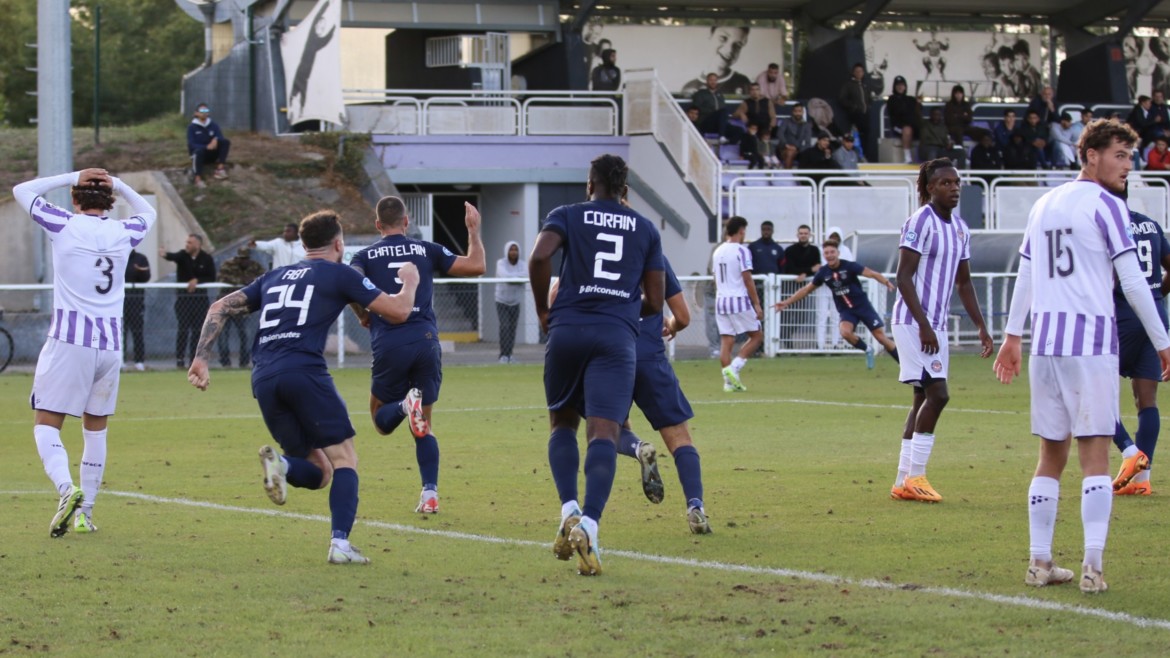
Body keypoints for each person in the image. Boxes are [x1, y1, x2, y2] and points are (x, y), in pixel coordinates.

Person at [994, 119, 1170, 593]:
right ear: (1090, 154)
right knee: (1094, 456)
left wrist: (1013, 336)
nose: (1127, 166)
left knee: (1050, 455)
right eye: (1119, 155)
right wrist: (1163, 339)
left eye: (1131, 157)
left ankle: (1039, 562)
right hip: (1090, 343)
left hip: (1045, 345)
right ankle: (1092, 568)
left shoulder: (1043, 203)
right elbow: (1133, 281)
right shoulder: (1107, 205)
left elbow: (1025, 274)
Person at [187, 210, 421, 564]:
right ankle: (340, 545)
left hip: (264, 378)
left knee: (319, 471)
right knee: (345, 459)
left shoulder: (273, 276)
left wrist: (201, 357)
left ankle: (281, 465)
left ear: (302, 244)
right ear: (339, 244)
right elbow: (400, 311)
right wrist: (410, 280)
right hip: (304, 372)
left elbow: (221, 306)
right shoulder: (339, 273)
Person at [529, 154, 665, 576]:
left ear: (590, 184)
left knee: (562, 424)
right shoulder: (645, 228)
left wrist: (543, 311)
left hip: (568, 330)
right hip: (615, 338)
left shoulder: (567, 214)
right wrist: (621, 307)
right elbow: (656, 302)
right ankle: (589, 523)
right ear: (625, 189)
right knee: (604, 432)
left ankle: (568, 508)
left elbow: (538, 258)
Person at [14, 168, 157, 538]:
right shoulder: (125, 231)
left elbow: (22, 190)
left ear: (75, 199)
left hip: (69, 343)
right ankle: (85, 515)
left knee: (46, 424)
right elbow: (148, 212)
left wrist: (73, 175)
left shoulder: (63, 223)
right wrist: (119, 183)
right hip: (110, 347)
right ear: (110, 201)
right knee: (96, 430)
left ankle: (66, 490)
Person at [350, 196, 485, 515]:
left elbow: (349, 285)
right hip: (426, 341)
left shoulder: (365, 255)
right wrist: (473, 232)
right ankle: (430, 494)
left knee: (382, 422)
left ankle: (402, 405)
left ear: (377, 224)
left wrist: (362, 312)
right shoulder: (426, 249)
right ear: (407, 222)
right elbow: (476, 266)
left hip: (391, 343)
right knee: (422, 424)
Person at [890, 158, 993, 504]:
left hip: (933, 324)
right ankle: (916, 477)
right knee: (939, 395)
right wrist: (923, 326)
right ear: (930, 187)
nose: (953, 188)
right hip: (913, 321)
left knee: (922, 397)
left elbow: (964, 283)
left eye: (957, 183)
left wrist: (981, 326)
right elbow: (903, 278)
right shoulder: (920, 222)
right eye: (945, 183)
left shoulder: (961, 228)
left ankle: (903, 480)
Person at [616, 256, 711, 534]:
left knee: (609, 430)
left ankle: (637, 448)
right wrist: (670, 323)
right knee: (680, 438)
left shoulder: (592, 243)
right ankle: (695, 506)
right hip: (651, 359)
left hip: (611, 356)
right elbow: (683, 317)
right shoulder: (652, 253)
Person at [1111, 185, 1170, 496]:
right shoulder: (1150, 223)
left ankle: (1130, 451)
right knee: (1147, 400)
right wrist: (1157, 298)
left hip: (1122, 317)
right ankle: (1141, 482)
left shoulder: (1105, 228)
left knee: (1093, 392)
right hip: (1156, 318)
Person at [775, 239, 899, 369]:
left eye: (832, 252)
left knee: (881, 338)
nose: (830, 255)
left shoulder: (849, 266)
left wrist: (885, 282)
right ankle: (867, 349)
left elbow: (871, 273)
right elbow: (806, 290)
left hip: (863, 307)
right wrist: (786, 302)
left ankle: (904, 365)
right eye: (826, 253)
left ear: (838, 253)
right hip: (846, 311)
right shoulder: (823, 272)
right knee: (845, 333)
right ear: (824, 256)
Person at [713, 216, 763, 392]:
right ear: (741, 230)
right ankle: (734, 367)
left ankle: (728, 384)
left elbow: (715, 277)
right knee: (757, 336)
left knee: (727, 340)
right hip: (738, 300)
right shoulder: (741, 251)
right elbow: (747, 278)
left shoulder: (717, 251)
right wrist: (756, 304)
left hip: (721, 301)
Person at [162, 234, 216, 368]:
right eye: (187, 242)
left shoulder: (206, 258)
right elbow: (172, 256)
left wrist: (197, 280)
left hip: (200, 302)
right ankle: (180, 359)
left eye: (190, 243)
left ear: (198, 244)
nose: (187, 245)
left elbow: (211, 277)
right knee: (183, 329)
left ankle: (194, 359)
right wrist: (164, 254)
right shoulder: (182, 256)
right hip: (183, 301)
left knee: (198, 330)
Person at [215, 246, 265, 368]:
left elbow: (265, 277)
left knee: (244, 334)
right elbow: (221, 277)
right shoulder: (228, 264)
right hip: (226, 303)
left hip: (242, 306)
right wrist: (242, 281)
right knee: (223, 335)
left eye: (245, 258)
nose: (243, 261)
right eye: (241, 258)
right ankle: (225, 362)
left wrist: (252, 281)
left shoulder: (254, 266)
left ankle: (243, 361)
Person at [778, 224, 821, 349]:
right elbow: (790, 268)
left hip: (806, 288)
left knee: (801, 317)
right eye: (801, 233)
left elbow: (817, 268)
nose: (803, 235)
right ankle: (788, 344)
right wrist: (808, 270)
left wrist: (804, 273)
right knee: (786, 315)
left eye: (805, 233)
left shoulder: (814, 250)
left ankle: (785, 334)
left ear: (810, 235)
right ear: (797, 235)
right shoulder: (790, 250)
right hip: (790, 287)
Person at [680, 26, 752, 96]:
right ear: (710, 37)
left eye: (738, 45)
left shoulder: (742, 82)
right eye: (723, 38)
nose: (729, 50)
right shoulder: (690, 87)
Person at [814, 226, 853, 350]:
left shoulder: (845, 250)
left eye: (837, 237)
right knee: (821, 315)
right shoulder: (821, 250)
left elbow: (849, 266)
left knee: (837, 316)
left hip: (839, 287)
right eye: (832, 237)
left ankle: (836, 343)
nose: (835, 239)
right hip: (824, 286)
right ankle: (820, 344)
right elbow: (821, 267)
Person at [495, 240, 526, 363]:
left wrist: (514, 278)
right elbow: (505, 277)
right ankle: (503, 355)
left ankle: (510, 355)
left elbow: (525, 276)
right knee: (505, 327)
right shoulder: (500, 263)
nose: (513, 252)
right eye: (511, 249)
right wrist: (517, 278)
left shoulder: (523, 264)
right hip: (501, 300)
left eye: (516, 249)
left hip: (516, 301)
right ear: (507, 251)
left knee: (513, 328)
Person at [187, 103, 230, 189]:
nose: (204, 113)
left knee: (225, 142)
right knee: (198, 151)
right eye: (202, 111)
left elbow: (220, 136)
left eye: (206, 111)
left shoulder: (213, 125)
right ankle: (198, 179)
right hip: (199, 154)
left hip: (212, 153)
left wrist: (215, 140)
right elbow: (191, 144)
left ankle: (220, 169)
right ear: (196, 113)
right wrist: (205, 147)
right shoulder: (192, 127)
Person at [123, 248, 150, 371]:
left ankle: (139, 361)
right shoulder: (118, 256)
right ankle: (120, 360)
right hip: (120, 302)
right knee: (120, 332)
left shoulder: (141, 258)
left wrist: (141, 272)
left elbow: (146, 276)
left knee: (137, 331)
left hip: (136, 302)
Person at [887, 75, 922, 164]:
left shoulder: (910, 99)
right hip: (898, 127)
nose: (900, 87)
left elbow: (918, 111)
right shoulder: (892, 99)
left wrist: (918, 103)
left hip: (913, 125)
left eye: (902, 85)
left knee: (924, 130)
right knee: (907, 130)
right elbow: (896, 112)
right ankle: (907, 157)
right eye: (898, 85)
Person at [690, 73, 729, 138]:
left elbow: (723, 109)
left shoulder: (720, 95)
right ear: (707, 81)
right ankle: (721, 136)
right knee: (723, 111)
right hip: (705, 122)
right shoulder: (700, 94)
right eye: (711, 80)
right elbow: (696, 109)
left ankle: (725, 143)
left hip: (718, 124)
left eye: (715, 80)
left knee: (738, 130)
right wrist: (713, 111)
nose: (713, 82)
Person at [776, 103, 813, 169]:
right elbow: (780, 134)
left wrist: (797, 149)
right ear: (792, 112)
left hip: (799, 150)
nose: (798, 113)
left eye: (799, 111)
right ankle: (788, 175)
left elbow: (808, 142)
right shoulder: (786, 121)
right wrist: (786, 145)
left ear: (802, 112)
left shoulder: (807, 125)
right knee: (790, 153)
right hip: (784, 148)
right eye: (796, 111)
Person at [839, 63, 869, 145]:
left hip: (865, 114)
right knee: (855, 135)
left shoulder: (864, 85)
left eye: (861, 71)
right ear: (853, 72)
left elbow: (868, 99)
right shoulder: (849, 85)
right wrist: (853, 107)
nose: (859, 73)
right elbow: (842, 99)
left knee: (866, 135)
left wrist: (868, 107)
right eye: (857, 71)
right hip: (855, 114)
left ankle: (864, 154)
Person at [912, 31, 950, 96]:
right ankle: (928, 73)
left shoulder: (939, 43)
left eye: (934, 35)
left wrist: (947, 42)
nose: (933, 36)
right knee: (925, 60)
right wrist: (916, 44)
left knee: (944, 60)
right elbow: (922, 49)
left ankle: (943, 76)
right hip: (931, 58)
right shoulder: (929, 44)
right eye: (932, 35)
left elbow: (945, 48)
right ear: (931, 36)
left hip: (938, 58)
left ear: (936, 35)